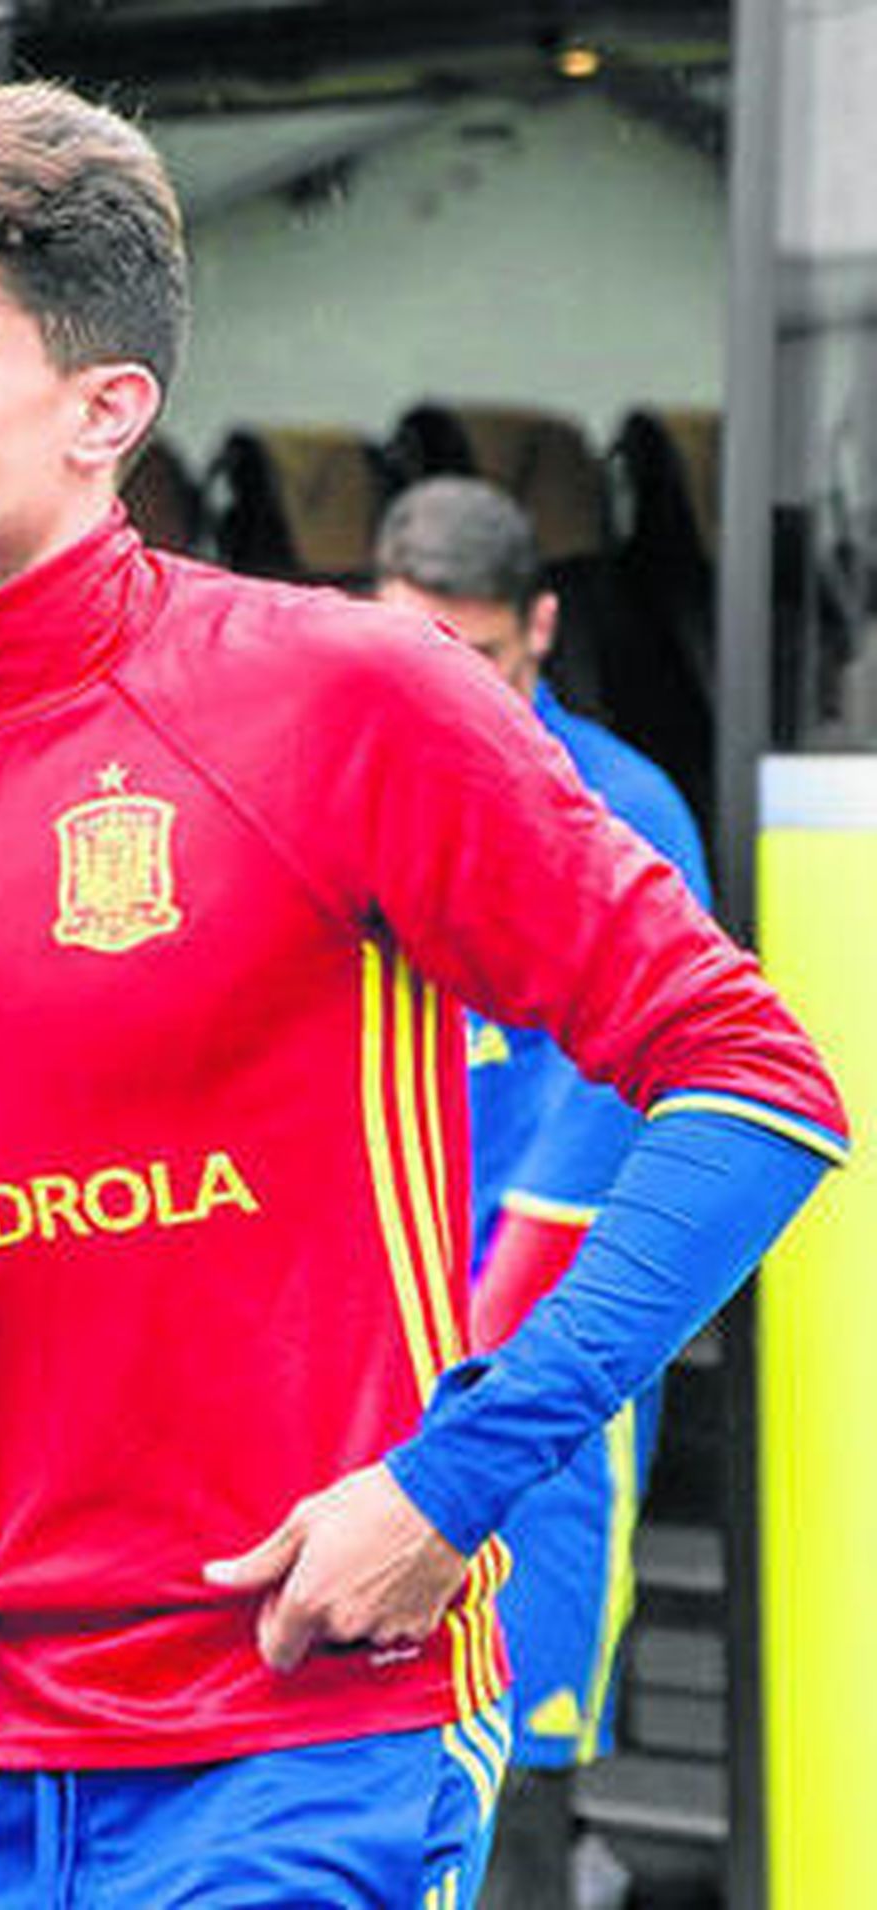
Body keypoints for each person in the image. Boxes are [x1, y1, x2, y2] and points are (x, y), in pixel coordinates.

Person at [0, 79, 847, 1910]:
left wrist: (450, 1482)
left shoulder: (347, 700)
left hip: (312, 1735)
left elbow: (758, 1084)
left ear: (106, 410)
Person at [375, 477, 711, 1909]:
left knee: (516, 1756)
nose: (455, 693)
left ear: (546, 629)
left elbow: (603, 1128)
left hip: (533, 1377)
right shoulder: (334, 789)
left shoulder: (622, 811)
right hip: (364, 1353)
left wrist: (470, 1378)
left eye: (486, 659)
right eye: (421, 655)